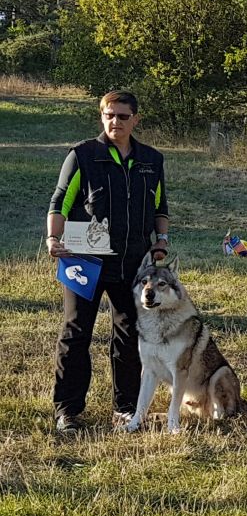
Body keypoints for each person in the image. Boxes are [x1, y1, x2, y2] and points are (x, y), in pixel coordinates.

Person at [46, 90, 169, 432]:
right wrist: (53, 239)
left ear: (136, 119)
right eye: (109, 115)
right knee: (76, 331)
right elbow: (59, 201)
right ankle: (68, 411)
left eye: (123, 116)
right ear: (102, 116)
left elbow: (160, 208)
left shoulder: (152, 160)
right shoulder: (83, 155)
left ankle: (125, 409)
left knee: (130, 334)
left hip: (131, 264)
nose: (115, 122)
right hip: (83, 261)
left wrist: (161, 241)